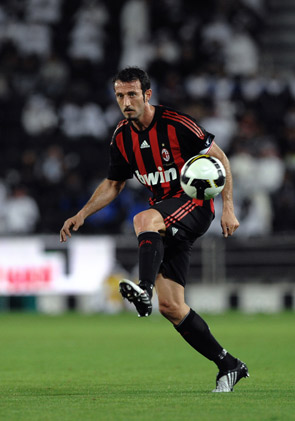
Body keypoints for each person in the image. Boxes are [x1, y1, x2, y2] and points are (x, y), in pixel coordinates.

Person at [60, 67, 249, 393]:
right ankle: (228, 364)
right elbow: (114, 182)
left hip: (194, 206)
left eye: (132, 94)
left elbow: (221, 159)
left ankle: (143, 288)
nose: (125, 101)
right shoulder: (121, 137)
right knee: (172, 307)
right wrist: (83, 213)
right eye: (120, 95)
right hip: (166, 219)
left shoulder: (177, 123)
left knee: (142, 219)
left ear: (147, 95)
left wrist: (228, 208)